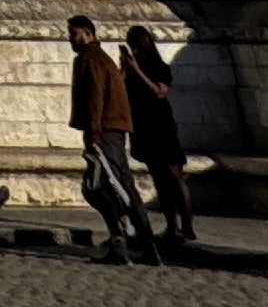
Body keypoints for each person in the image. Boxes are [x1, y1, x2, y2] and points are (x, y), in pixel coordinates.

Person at [67, 18, 159, 263]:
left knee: (111, 187)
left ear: (87, 33)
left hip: (105, 131)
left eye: (74, 33)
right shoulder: (99, 58)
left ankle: (139, 242)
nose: (70, 39)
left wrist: (93, 131)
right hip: (110, 130)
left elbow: (95, 96)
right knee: (107, 186)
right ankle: (125, 240)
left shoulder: (91, 59)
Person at [120, 24, 198, 245]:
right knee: (159, 179)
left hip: (161, 124)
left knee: (174, 175)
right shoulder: (132, 67)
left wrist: (137, 71)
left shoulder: (158, 66)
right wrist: (125, 69)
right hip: (143, 125)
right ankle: (171, 226)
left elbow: (159, 92)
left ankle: (187, 227)